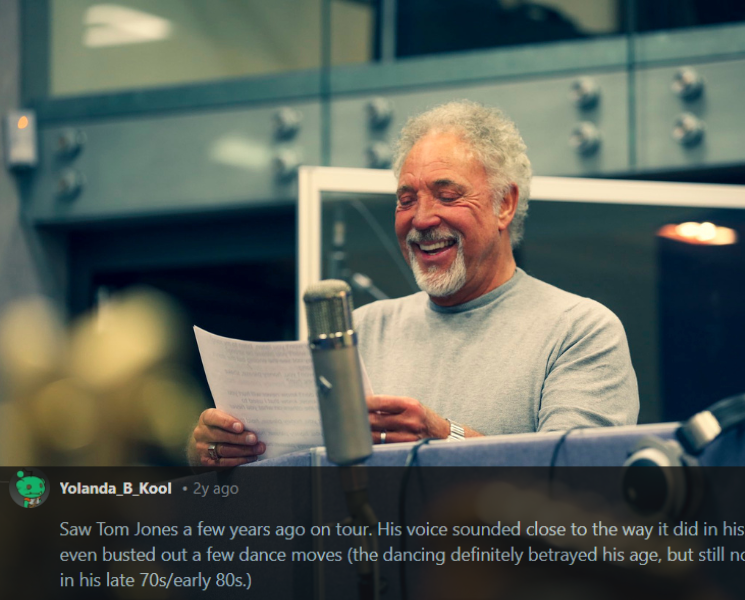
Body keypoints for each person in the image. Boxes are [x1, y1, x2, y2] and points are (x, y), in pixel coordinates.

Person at [189, 100, 638, 466]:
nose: (422, 219)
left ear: (505, 204)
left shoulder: (579, 329)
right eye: (407, 200)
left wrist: (444, 437)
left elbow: (581, 487)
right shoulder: (357, 332)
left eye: (447, 195)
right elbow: (304, 485)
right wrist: (223, 456)